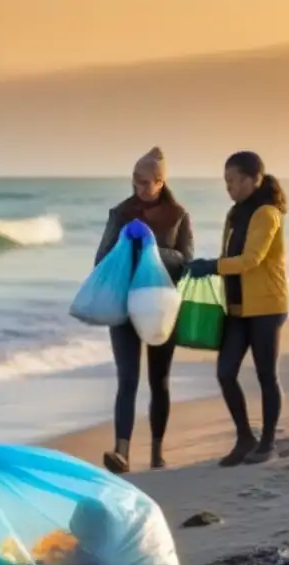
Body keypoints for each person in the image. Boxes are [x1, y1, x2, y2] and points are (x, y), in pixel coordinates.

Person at [93, 147, 194, 474]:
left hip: (160, 305)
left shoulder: (178, 216)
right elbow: (101, 261)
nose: (139, 188)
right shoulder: (120, 213)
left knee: (159, 380)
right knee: (127, 380)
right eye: (135, 181)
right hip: (124, 305)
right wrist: (124, 246)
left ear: (161, 182)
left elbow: (186, 261)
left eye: (146, 182)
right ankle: (121, 452)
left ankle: (157, 452)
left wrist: (153, 248)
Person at [185, 151, 288, 466]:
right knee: (226, 372)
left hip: (266, 305)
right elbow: (228, 255)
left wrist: (212, 266)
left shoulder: (267, 213)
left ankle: (268, 442)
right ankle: (245, 437)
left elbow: (250, 260)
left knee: (265, 375)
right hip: (237, 306)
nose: (228, 187)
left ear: (251, 178)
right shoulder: (233, 214)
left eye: (232, 180)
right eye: (226, 181)